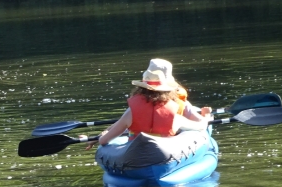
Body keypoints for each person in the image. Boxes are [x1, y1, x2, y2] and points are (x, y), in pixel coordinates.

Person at [85, 59, 213, 148]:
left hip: (134, 154)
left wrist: (98, 137)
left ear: (141, 87)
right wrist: (206, 116)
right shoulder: (174, 114)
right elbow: (201, 126)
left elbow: (104, 141)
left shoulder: (131, 112)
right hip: (165, 154)